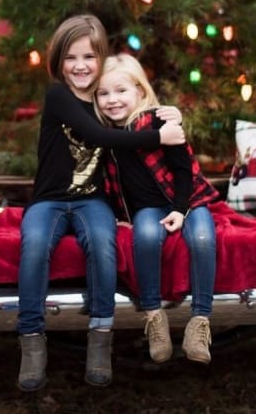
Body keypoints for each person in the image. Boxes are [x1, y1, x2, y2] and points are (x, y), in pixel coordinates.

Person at [17, 15, 185, 391]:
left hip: (93, 200)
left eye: (89, 57)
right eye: (71, 57)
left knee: (103, 246)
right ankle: (31, 344)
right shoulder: (59, 95)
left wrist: (166, 115)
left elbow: (138, 106)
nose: (80, 65)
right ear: (58, 60)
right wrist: (159, 136)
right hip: (49, 200)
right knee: (35, 245)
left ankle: (100, 340)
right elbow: (95, 135)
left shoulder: (104, 97)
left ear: (101, 59)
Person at [95, 53, 219, 366]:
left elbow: (184, 170)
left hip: (187, 198)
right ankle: (154, 317)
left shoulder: (159, 121)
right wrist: (117, 218)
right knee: (147, 237)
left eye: (121, 90)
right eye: (104, 93)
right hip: (147, 208)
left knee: (203, 238)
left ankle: (200, 322)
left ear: (140, 90)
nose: (112, 100)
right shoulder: (104, 136)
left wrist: (180, 209)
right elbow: (106, 183)